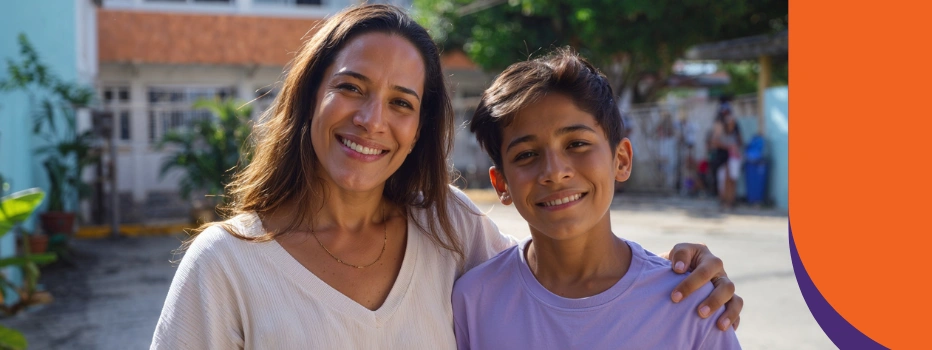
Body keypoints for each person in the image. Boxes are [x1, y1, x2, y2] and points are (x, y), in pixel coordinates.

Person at [151, 4, 741, 349]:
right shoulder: (226, 265)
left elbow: (565, 269)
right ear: (309, 97)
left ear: (420, 127)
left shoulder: (447, 227)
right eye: (351, 88)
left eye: (402, 102)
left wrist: (687, 271)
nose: (371, 120)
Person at [456, 48, 741, 350]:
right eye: (526, 154)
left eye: (577, 143)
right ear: (502, 184)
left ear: (621, 160)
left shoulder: (692, 301)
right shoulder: (474, 301)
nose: (554, 172)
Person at [709, 102, 743, 210]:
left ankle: (730, 201)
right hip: (722, 156)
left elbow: (740, 140)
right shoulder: (719, 126)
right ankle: (724, 201)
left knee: (732, 179)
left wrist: (735, 147)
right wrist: (729, 147)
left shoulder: (735, 126)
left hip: (733, 156)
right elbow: (714, 142)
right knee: (724, 180)